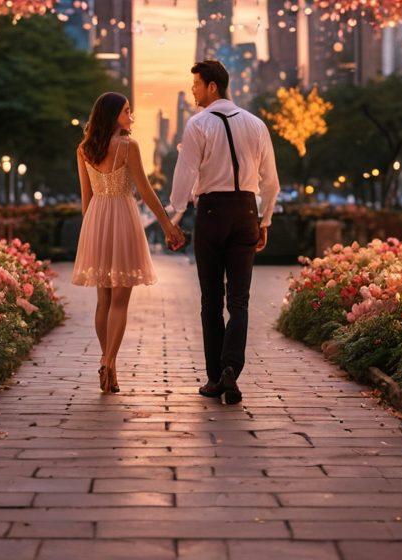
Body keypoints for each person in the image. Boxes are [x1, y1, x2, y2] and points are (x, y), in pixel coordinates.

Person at [168, 60, 279, 405]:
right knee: (240, 299)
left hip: (212, 212)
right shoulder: (256, 124)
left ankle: (215, 377)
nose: (193, 91)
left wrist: (174, 217)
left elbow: (185, 175)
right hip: (246, 211)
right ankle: (231, 367)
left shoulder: (198, 124)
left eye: (196, 85)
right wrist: (264, 220)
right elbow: (271, 182)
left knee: (211, 300)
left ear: (212, 86)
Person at [72, 92, 185, 393]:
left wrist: (90, 233)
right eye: (126, 111)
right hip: (123, 218)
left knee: (103, 301)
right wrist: (167, 225)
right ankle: (109, 362)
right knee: (120, 302)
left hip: (96, 220)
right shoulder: (128, 146)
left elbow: (86, 199)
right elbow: (146, 192)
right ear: (112, 116)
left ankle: (107, 362)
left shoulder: (84, 149)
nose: (131, 115)